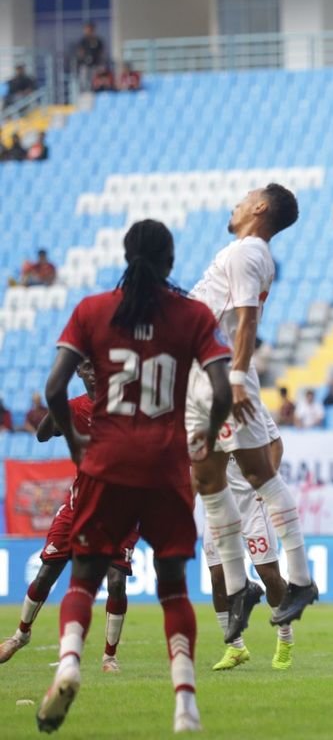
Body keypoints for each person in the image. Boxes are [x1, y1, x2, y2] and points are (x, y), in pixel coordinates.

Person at [34, 219, 232, 733]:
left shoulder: (92, 310)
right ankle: (185, 703)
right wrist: (207, 437)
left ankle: (70, 663)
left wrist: (75, 441)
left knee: (84, 577)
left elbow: (54, 389)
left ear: (126, 257)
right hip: (167, 467)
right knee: (173, 589)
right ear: (170, 261)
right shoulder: (193, 315)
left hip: (108, 464)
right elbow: (222, 389)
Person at [186, 184, 317, 647]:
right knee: (208, 480)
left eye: (244, 197)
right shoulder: (244, 253)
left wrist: (237, 378)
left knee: (259, 474)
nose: (235, 203)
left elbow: (246, 321)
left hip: (223, 375)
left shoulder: (248, 252)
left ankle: (300, 579)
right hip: (203, 375)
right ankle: (240, 587)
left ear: (260, 207)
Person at [0, 361, 135, 673]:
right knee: (46, 574)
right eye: (87, 367)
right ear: (79, 373)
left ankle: (109, 657)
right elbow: (42, 436)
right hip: (80, 507)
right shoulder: (74, 408)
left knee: (116, 582)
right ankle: (20, 635)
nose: (94, 372)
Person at [205, 443, 295, 672]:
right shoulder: (199, 424)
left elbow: (276, 443)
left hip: (252, 506)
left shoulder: (251, 418)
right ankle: (235, 647)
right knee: (217, 576)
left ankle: (285, 638)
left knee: (269, 575)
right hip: (218, 506)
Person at [74, 22, 106, 92]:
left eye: (90, 29)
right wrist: (84, 59)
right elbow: (80, 53)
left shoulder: (97, 41)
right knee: (84, 82)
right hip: (85, 65)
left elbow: (101, 53)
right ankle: (85, 93)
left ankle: (94, 92)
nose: (88, 31)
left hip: (95, 65)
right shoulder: (82, 41)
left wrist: (101, 64)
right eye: (87, 29)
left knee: (95, 81)